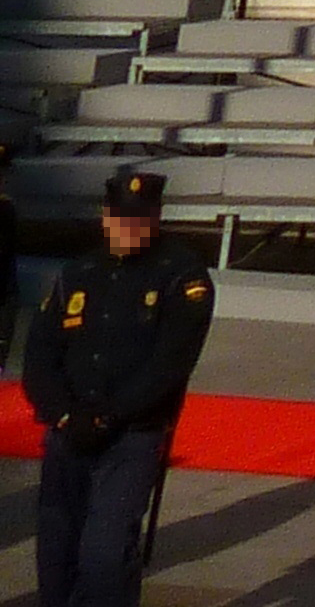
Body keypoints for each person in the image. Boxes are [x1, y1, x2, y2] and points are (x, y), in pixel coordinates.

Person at [22, 165, 213, 607]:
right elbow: (40, 354)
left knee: (104, 553)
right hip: (68, 430)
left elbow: (170, 364)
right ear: (105, 217)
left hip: (132, 434)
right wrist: (64, 412)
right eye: (121, 218)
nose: (129, 228)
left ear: (156, 219)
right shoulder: (80, 271)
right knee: (56, 550)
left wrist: (109, 415)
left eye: (140, 219)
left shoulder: (182, 276)